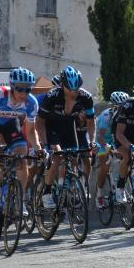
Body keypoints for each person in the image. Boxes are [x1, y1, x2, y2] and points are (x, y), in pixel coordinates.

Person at [36, 65, 95, 209]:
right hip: (51, 126)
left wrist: (92, 141)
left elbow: (91, 120)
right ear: (62, 86)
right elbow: (40, 122)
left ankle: (68, 188)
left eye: (76, 89)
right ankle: (47, 192)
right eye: (69, 89)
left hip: (69, 127)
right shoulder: (52, 96)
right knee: (57, 156)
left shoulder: (86, 97)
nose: (73, 92)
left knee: (74, 157)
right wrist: (44, 144)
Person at [0, 67, 43, 216]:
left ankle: (19, 201)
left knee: (22, 157)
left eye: (27, 90)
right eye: (20, 89)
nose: (23, 94)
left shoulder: (31, 103)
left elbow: (30, 131)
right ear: (12, 86)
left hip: (10, 124)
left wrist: (39, 148)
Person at [94, 91, 129, 209]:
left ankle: (120, 186)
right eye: (118, 107)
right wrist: (108, 148)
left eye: (123, 107)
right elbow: (100, 137)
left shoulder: (126, 115)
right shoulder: (106, 116)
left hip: (116, 139)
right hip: (103, 140)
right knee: (105, 164)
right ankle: (99, 193)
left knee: (126, 158)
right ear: (112, 106)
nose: (120, 110)